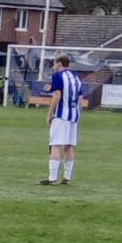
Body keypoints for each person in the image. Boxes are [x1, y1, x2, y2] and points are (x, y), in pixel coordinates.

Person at [41, 54, 89, 186]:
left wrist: (50, 114)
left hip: (61, 116)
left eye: (54, 63)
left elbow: (57, 95)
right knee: (69, 146)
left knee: (55, 144)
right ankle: (67, 178)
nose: (53, 66)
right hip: (74, 116)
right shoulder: (75, 77)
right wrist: (77, 114)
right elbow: (80, 98)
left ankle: (52, 178)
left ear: (59, 63)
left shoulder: (58, 76)